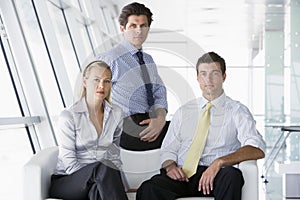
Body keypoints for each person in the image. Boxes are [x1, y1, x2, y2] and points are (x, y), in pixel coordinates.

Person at [136, 52, 266, 200]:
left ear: (224, 76)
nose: (208, 79)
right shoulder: (184, 111)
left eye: (214, 73)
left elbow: (257, 149)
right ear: (197, 78)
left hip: (217, 176)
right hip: (184, 176)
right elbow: (168, 149)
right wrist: (171, 167)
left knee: (232, 176)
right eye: (203, 74)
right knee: (148, 188)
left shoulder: (238, 111)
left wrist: (219, 162)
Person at [49, 61, 128, 200]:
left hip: (100, 179)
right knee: (103, 168)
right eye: (96, 80)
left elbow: (114, 155)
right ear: (85, 82)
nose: (101, 85)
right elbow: (69, 165)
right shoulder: (69, 116)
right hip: (68, 180)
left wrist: (119, 184)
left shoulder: (116, 113)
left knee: (98, 191)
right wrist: (98, 180)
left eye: (107, 81)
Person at [97, 2, 169, 151]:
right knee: (187, 134)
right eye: (133, 26)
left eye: (143, 26)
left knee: (191, 129)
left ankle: (170, 171)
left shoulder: (148, 60)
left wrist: (160, 119)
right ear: (123, 29)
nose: (139, 31)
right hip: (126, 127)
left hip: (149, 120)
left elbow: (159, 93)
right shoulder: (110, 59)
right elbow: (93, 98)